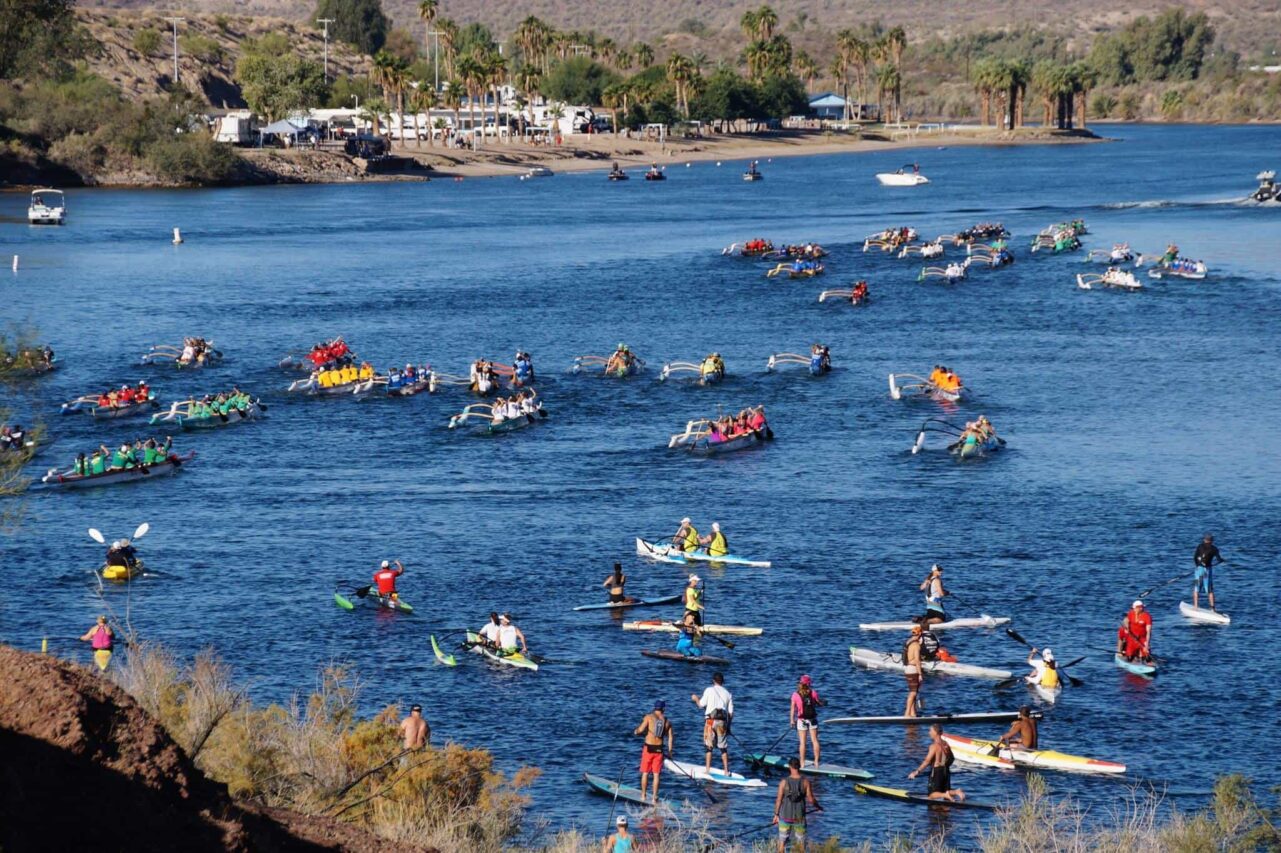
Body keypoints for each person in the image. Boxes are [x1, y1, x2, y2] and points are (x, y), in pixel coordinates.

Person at [772, 756, 821, 852]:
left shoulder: (783, 782)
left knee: (782, 844)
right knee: (801, 846)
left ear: (790, 767)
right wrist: (818, 807)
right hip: (799, 818)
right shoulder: (806, 782)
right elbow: (811, 799)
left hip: (785, 817)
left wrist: (776, 815)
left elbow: (778, 800)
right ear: (799, 767)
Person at [907, 725, 966, 802]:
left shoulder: (933, 746)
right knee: (945, 790)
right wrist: (946, 766)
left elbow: (926, 761)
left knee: (931, 795)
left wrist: (916, 772)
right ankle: (956, 792)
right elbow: (952, 758)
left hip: (937, 772)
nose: (929, 733)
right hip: (946, 771)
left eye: (930, 731)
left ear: (935, 732)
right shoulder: (946, 744)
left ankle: (946, 795)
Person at [692, 672, 733, 774]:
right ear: (722, 682)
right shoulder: (728, 694)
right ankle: (726, 771)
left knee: (709, 747)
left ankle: (707, 770)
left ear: (713, 681)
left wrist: (695, 699)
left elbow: (701, 705)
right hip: (722, 722)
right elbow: (731, 713)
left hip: (710, 721)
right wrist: (728, 726)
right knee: (723, 748)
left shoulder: (709, 690)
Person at [633, 700, 673, 804]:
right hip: (659, 749)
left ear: (655, 708)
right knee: (656, 775)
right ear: (663, 709)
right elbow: (670, 738)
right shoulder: (667, 722)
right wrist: (669, 752)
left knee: (645, 773)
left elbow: (640, 730)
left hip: (648, 748)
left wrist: (636, 731)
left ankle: (643, 795)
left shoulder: (648, 717)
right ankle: (654, 797)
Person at [790, 674, 824, 768]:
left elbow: (793, 709)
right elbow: (818, 703)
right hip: (812, 719)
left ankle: (802, 763)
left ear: (801, 683)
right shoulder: (813, 692)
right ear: (809, 683)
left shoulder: (795, 694)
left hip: (802, 720)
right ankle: (816, 762)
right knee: (815, 740)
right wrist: (823, 703)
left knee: (802, 743)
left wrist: (792, 721)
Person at [1193, 533, 1223, 611]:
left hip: (1198, 571)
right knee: (1209, 590)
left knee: (1196, 588)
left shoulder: (1199, 546)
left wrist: (1197, 566)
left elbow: (1195, 557)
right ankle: (1213, 608)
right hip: (1207, 571)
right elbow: (1219, 559)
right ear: (1212, 541)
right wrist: (1221, 560)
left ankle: (1195, 607)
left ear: (1204, 540)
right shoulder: (1214, 549)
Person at [903, 624, 924, 717]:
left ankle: (913, 713)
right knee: (913, 693)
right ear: (919, 634)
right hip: (913, 669)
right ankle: (907, 713)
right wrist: (920, 674)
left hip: (907, 669)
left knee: (913, 691)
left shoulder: (908, 642)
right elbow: (917, 661)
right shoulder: (916, 645)